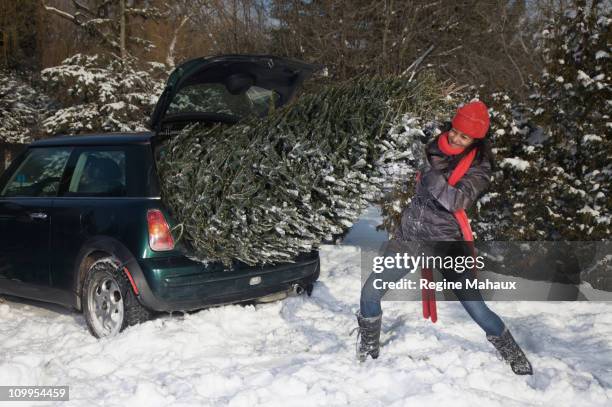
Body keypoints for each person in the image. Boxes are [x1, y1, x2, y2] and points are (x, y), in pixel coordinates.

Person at [355, 100, 533, 375]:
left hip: (447, 244)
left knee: (476, 307)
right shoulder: (433, 146)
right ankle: (368, 347)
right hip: (409, 238)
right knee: (369, 291)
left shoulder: (479, 168)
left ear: (476, 140)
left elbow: (457, 200)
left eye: (465, 137)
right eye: (455, 131)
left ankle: (512, 353)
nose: (456, 138)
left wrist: (429, 173)